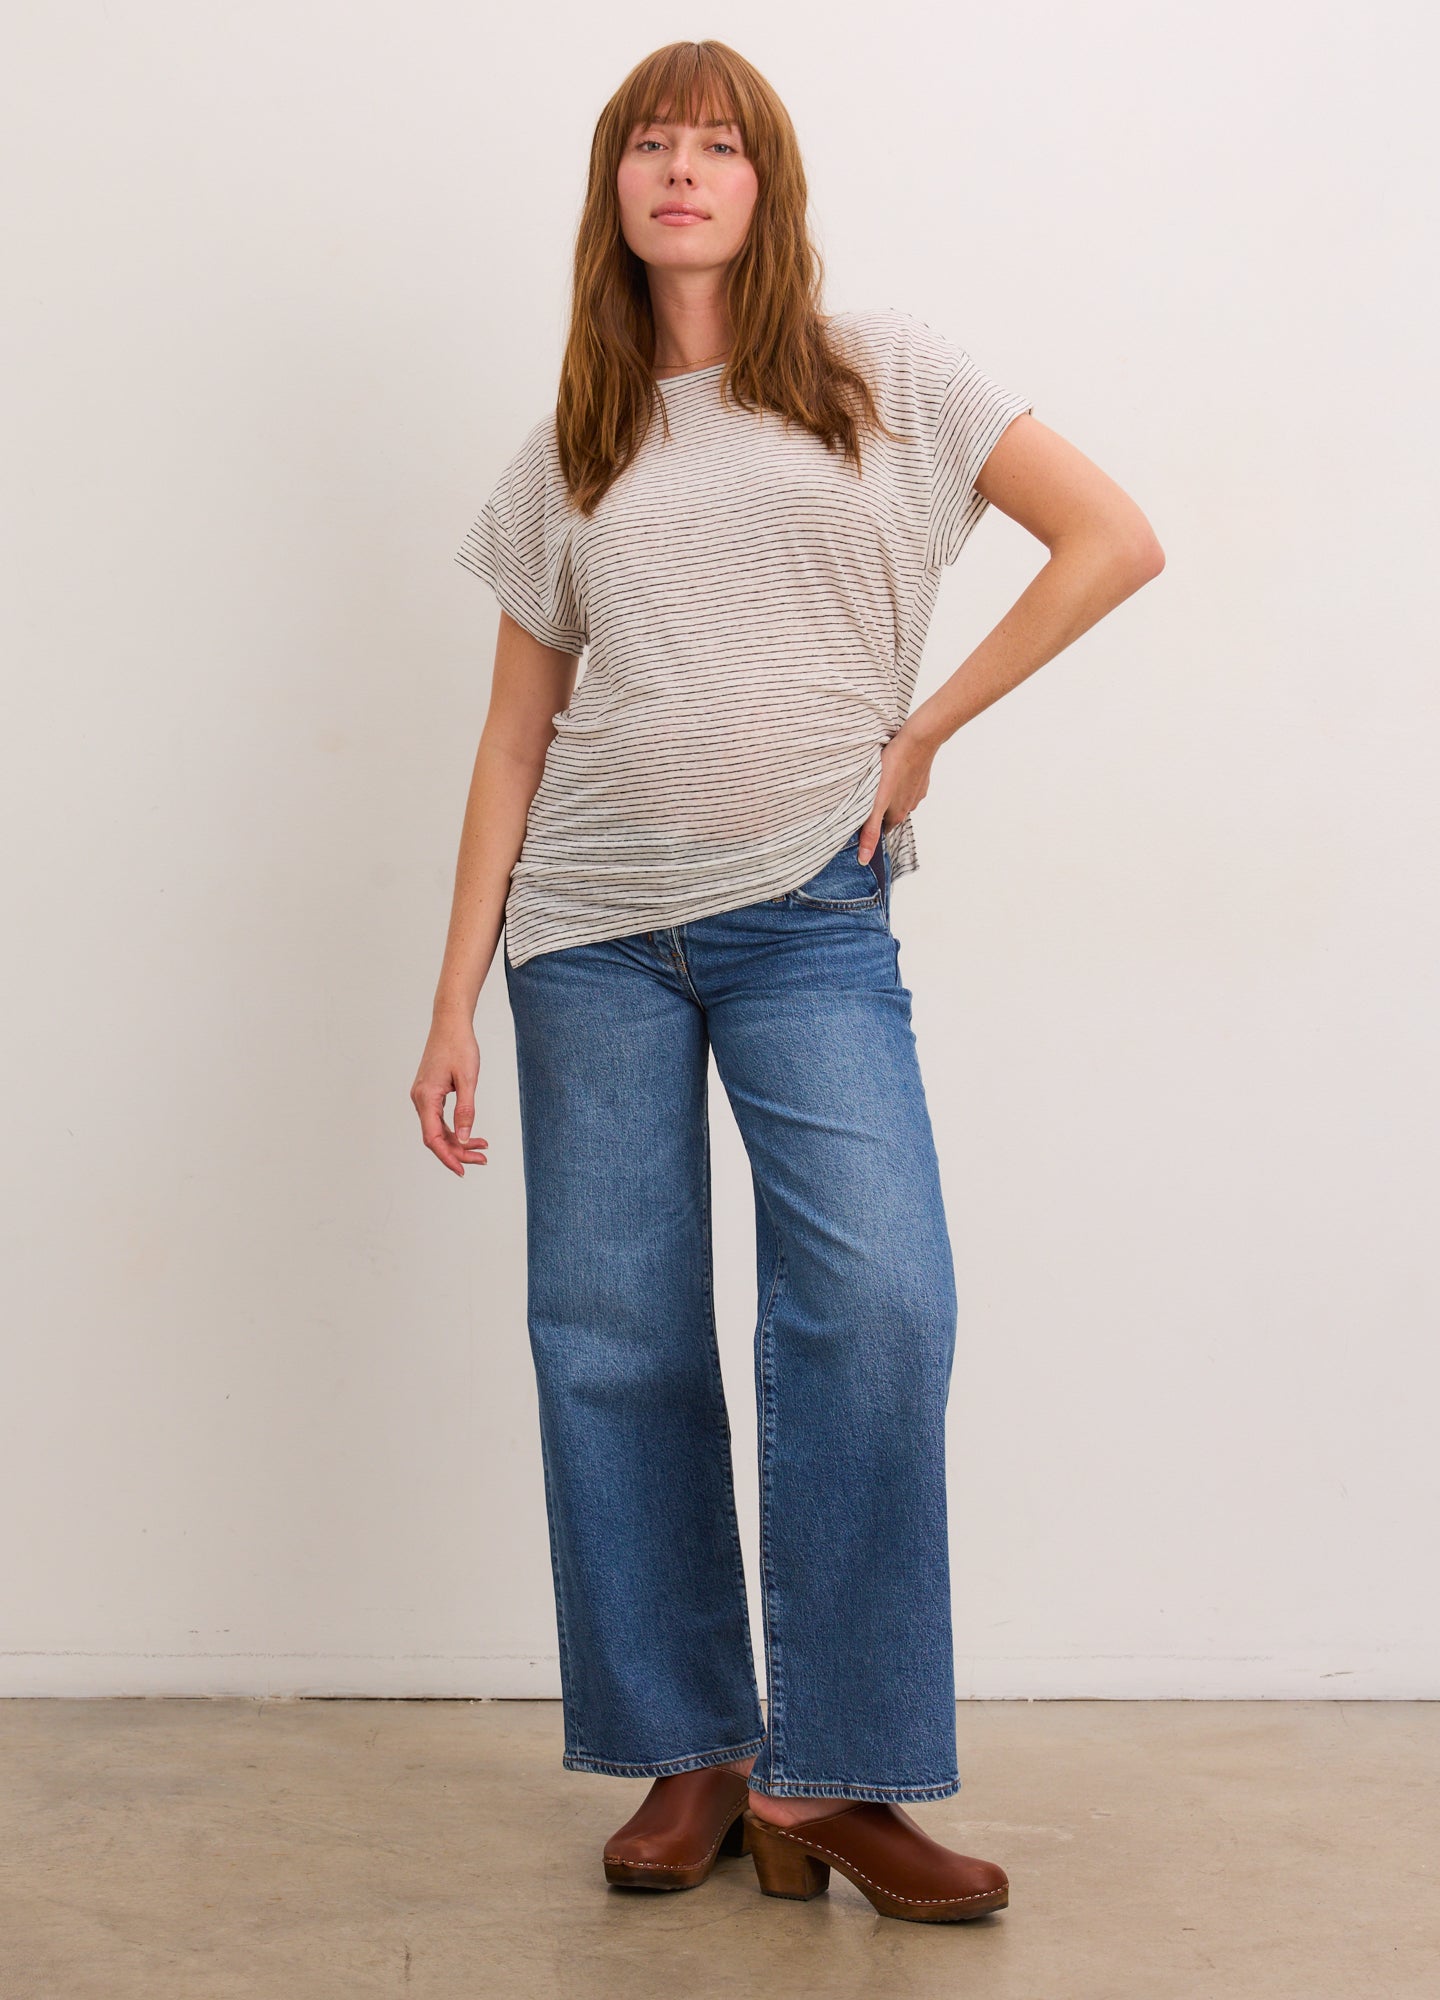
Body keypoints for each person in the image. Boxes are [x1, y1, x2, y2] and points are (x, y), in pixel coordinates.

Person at [414, 40, 1163, 1926]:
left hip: (810, 918)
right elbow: (514, 742)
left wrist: (922, 738)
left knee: (882, 1303)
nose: (682, 169)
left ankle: (834, 1778)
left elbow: (1112, 540)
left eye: (717, 143)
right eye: (650, 144)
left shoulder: (877, 371)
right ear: (614, 188)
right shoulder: (575, 441)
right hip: (585, 937)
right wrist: (446, 1005)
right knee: (617, 1341)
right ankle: (697, 1757)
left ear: (767, 181)